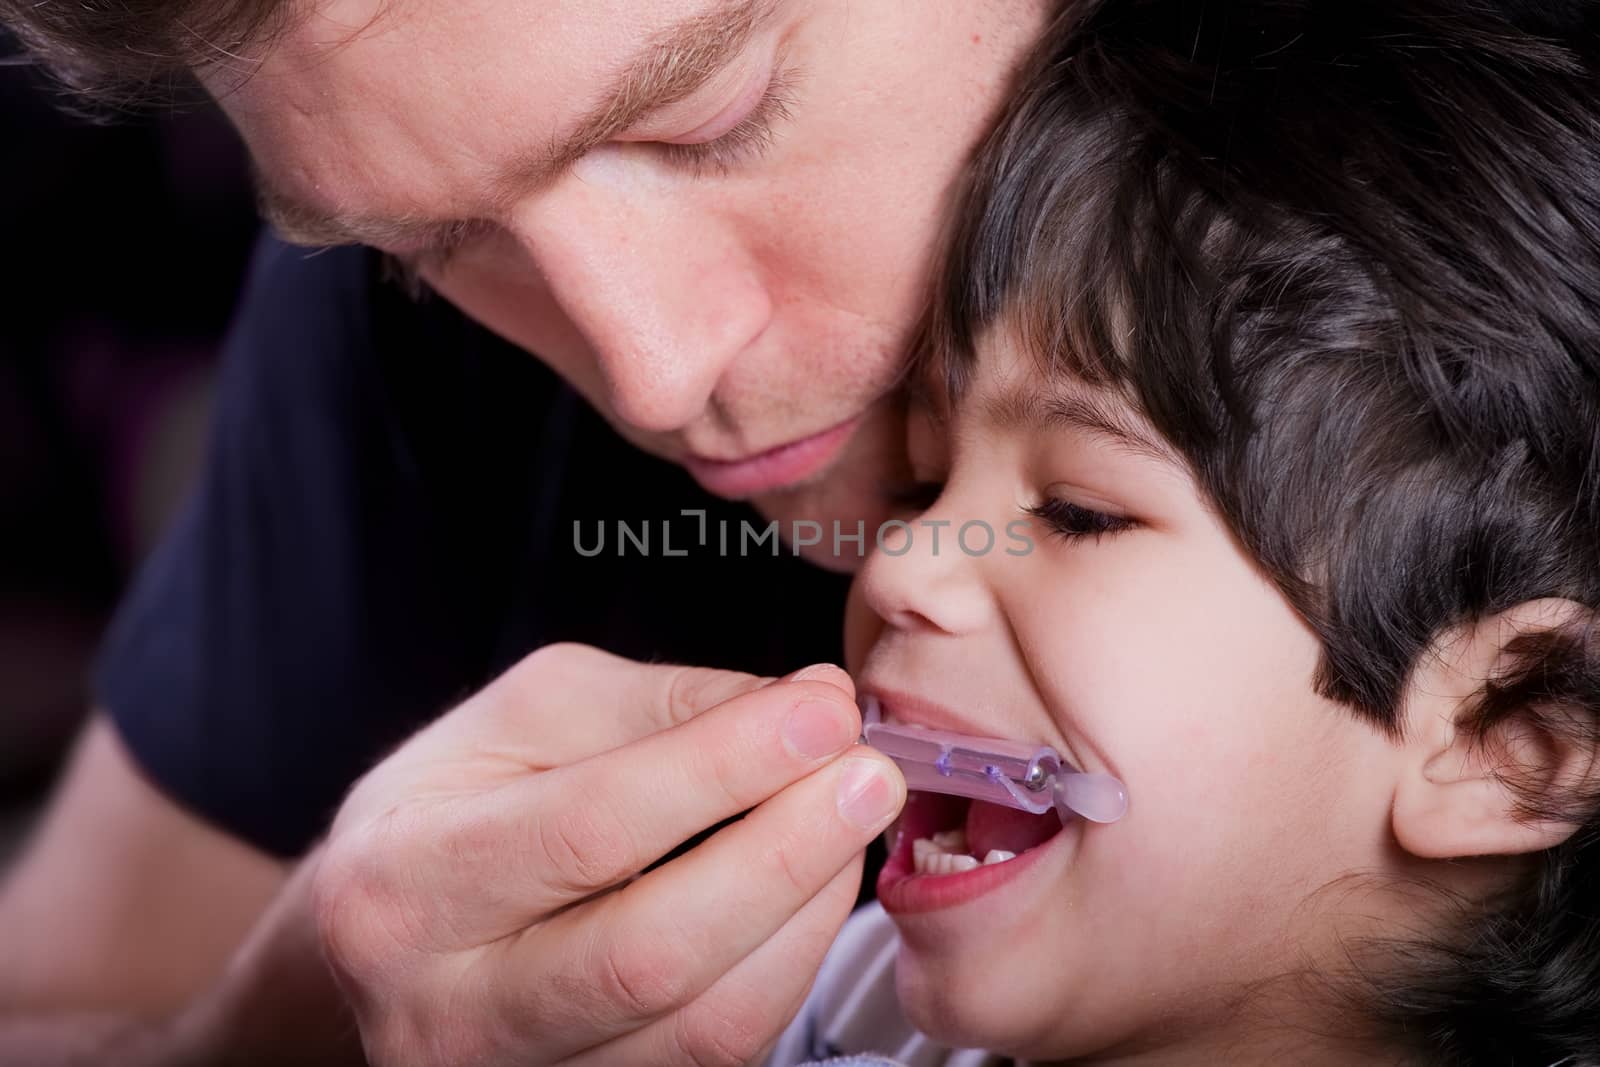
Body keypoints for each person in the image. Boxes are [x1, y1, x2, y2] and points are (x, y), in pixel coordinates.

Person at [0, 0, 1061, 1064]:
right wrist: (273, 1025)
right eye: (437, 243)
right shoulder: (392, 244)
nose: (654, 382)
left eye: (711, 120)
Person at [761, 1, 1600, 1064]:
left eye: (1078, 511)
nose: (898, 563)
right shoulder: (821, 1005)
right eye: (922, 483)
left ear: (1507, 741)